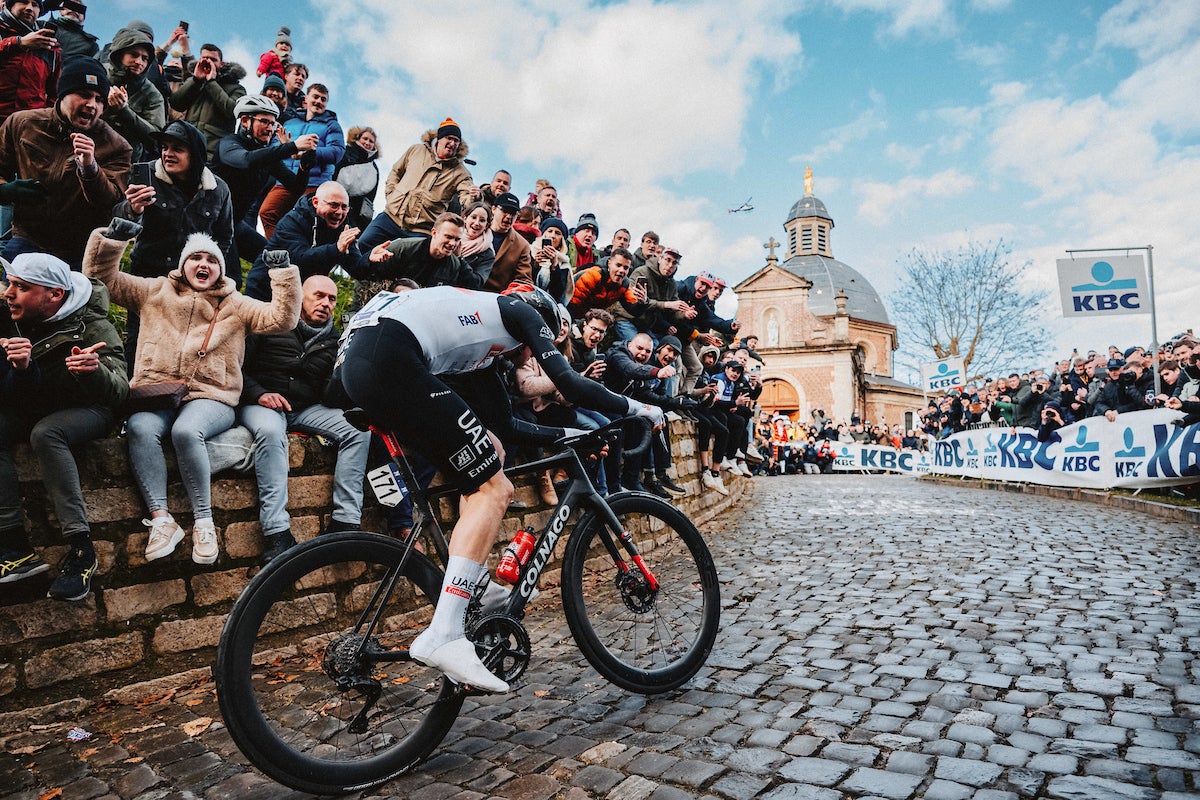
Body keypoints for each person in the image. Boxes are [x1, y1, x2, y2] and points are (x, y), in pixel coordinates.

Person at [338, 283, 663, 692]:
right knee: (495, 489)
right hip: (389, 356)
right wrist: (641, 409)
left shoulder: (481, 351)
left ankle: (474, 588)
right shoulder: (516, 310)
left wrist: (569, 434)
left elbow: (507, 426)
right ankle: (445, 634)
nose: (529, 354)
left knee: (488, 454)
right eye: (538, 343)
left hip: (359, 361)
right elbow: (571, 383)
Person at [85, 220, 300, 565]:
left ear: (221, 268)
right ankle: (162, 520)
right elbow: (101, 280)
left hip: (212, 395)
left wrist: (283, 273)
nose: (204, 265)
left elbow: (281, 319)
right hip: (157, 390)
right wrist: (114, 239)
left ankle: (204, 521)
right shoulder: (153, 291)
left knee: (187, 431)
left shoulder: (237, 304)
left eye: (212, 260)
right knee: (140, 429)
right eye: (196, 258)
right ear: (183, 264)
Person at [0, 251, 128, 599]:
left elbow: (119, 392)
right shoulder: (9, 319)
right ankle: (14, 549)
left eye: (22, 287)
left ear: (55, 294)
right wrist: (21, 370)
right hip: (35, 405)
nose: (9, 293)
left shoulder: (92, 326)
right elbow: (17, 396)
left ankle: (82, 552)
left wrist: (94, 371)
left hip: (86, 408)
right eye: (10, 283)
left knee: (47, 433)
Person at [238, 275, 370, 564]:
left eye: (332, 299)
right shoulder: (270, 322)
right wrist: (259, 394)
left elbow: (331, 393)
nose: (325, 303)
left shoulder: (337, 340)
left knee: (359, 431)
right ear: (300, 297)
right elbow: (235, 368)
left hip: (307, 408)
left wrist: (343, 378)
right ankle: (277, 534)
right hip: (262, 403)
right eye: (319, 296)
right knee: (271, 434)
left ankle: (345, 524)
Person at [0, 56, 130, 269]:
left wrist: (91, 170)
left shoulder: (116, 145)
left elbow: (112, 204)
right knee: (15, 297)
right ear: (62, 94)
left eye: (99, 99)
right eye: (84, 95)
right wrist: (5, 190)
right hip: (28, 237)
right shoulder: (22, 123)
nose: (92, 105)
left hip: (78, 248)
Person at [211, 94, 314, 270]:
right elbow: (245, 160)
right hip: (212, 223)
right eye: (265, 122)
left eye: (273, 124)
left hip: (235, 223)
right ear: (245, 121)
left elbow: (296, 187)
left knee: (277, 262)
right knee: (232, 277)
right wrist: (291, 147)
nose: (270, 129)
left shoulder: (268, 156)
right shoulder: (230, 142)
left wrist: (303, 163)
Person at [357, 117, 476, 251]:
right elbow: (396, 171)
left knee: (411, 265)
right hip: (392, 216)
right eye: (449, 138)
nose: (452, 143)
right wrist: (391, 195)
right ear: (439, 138)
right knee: (363, 245)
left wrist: (474, 197)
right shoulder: (416, 150)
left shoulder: (461, 172)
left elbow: (467, 200)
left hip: (422, 228)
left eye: (456, 140)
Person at [245, 180, 363, 301]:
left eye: (344, 207)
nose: (339, 212)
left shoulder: (343, 226)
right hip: (265, 292)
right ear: (316, 202)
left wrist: (372, 260)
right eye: (334, 205)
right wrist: (336, 249)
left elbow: (357, 267)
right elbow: (300, 260)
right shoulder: (293, 221)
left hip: (301, 297)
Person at [258, 82, 344, 239]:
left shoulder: (332, 125)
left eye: (323, 99)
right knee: (268, 212)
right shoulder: (290, 123)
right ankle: (277, 252)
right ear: (306, 99)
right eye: (315, 97)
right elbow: (275, 145)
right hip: (286, 179)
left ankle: (304, 256)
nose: (319, 101)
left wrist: (307, 153)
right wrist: (288, 148)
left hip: (315, 182)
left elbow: (337, 152)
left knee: (308, 221)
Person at [348, 211, 483, 292]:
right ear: (434, 233)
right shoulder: (402, 249)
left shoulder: (454, 265)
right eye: (448, 237)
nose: (452, 243)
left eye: (457, 239)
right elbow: (365, 278)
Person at [168, 42, 247, 163]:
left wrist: (211, 83)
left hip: (213, 153)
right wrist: (195, 80)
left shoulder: (236, 88)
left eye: (213, 59)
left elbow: (233, 111)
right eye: (204, 58)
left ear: (221, 64)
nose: (208, 62)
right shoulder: (193, 82)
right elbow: (176, 103)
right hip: (187, 148)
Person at [102, 26, 165, 164]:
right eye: (133, 54)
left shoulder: (152, 94)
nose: (139, 62)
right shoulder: (99, 74)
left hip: (125, 162)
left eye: (145, 58)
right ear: (120, 54)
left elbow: (156, 137)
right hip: (87, 151)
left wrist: (124, 111)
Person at [0, 0, 60, 127]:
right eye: (23, 2)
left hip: (29, 127)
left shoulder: (50, 46)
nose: (29, 8)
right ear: (10, 6)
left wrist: (45, 120)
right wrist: (19, 43)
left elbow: (54, 92)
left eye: (35, 4)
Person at [481, 191, 533, 293]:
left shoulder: (522, 245)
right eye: (505, 210)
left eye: (513, 213)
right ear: (494, 209)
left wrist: (508, 294)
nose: (509, 216)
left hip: (495, 298)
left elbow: (524, 281)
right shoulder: (477, 228)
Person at [333, 126, 380, 230]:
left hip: (355, 212)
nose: (367, 143)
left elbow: (371, 196)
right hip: (334, 200)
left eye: (371, 141)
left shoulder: (374, 168)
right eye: (365, 139)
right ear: (358, 138)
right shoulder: (344, 152)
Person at [531, 216, 571, 305]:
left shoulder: (564, 264)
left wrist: (554, 266)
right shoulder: (530, 252)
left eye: (557, 233)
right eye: (549, 231)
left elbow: (558, 294)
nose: (552, 236)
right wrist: (535, 264)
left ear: (562, 240)